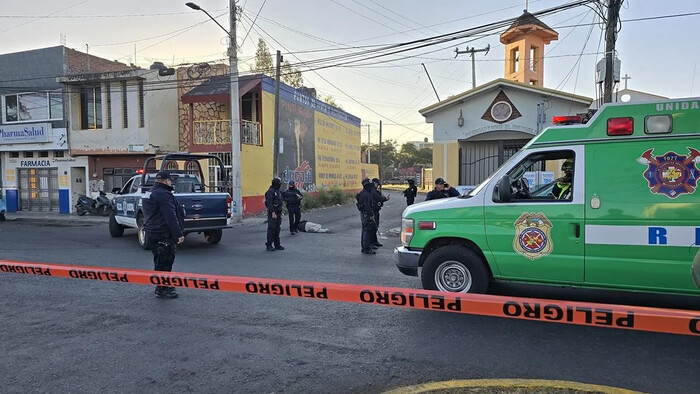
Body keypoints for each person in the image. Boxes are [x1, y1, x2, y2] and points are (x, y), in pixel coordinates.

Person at [142, 171, 185, 299]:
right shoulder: (164, 195)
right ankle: (162, 289)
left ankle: (164, 284)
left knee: (159, 259)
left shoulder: (150, 192)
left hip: (152, 232)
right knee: (165, 261)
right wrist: (178, 234)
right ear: (167, 181)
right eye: (170, 180)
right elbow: (170, 216)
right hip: (163, 233)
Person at [357, 178, 378, 254]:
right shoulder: (366, 194)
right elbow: (367, 206)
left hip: (364, 214)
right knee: (367, 230)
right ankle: (366, 248)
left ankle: (364, 247)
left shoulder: (363, 193)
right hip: (366, 214)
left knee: (365, 230)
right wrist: (371, 214)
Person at [265, 177, 285, 251]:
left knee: (277, 229)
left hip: (278, 212)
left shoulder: (278, 191)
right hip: (273, 213)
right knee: (271, 229)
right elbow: (269, 203)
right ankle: (269, 244)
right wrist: (273, 212)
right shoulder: (270, 192)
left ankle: (277, 244)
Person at [370, 178, 389, 248]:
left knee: (375, 227)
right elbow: (379, 198)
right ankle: (371, 243)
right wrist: (385, 199)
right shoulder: (373, 191)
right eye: (377, 184)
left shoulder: (374, 191)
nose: (378, 186)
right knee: (373, 227)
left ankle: (375, 241)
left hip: (376, 210)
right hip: (373, 211)